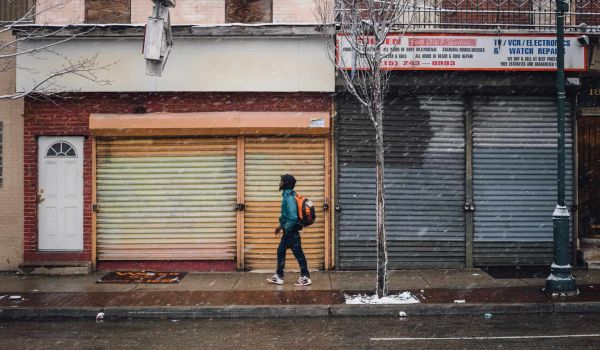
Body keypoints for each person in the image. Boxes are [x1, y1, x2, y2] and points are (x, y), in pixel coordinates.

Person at [267, 174, 312, 286]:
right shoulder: (289, 195)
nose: (279, 183)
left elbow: (292, 217)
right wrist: (281, 227)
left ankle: (304, 277)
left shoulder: (289, 197)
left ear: (285, 183)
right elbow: (287, 216)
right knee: (283, 251)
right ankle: (280, 276)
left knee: (296, 253)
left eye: (281, 181)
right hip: (290, 231)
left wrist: (285, 228)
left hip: (291, 232)